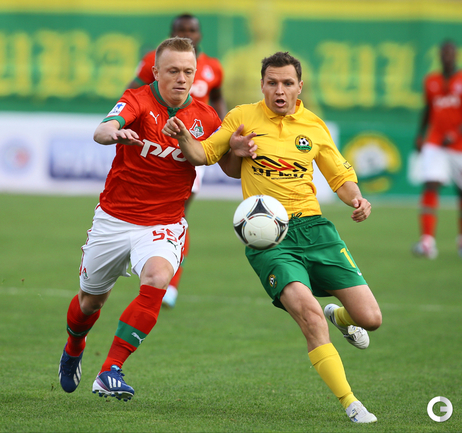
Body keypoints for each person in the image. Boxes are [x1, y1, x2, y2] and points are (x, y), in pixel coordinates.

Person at [162, 51, 382, 424]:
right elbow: (203, 154)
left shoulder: (314, 126)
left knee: (371, 318)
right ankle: (351, 403)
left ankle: (342, 317)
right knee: (309, 315)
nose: (279, 91)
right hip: (268, 238)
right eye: (272, 83)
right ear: (262, 85)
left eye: (287, 83)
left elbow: (340, 177)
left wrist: (357, 199)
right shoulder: (242, 117)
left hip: (315, 230)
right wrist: (185, 136)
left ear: (300, 87)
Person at [58, 37, 222, 401]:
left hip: (164, 223)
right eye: (173, 70)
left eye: (188, 71)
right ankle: (74, 347)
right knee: (90, 303)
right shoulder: (137, 100)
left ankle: (110, 370)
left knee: (158, 278)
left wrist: (240, 148)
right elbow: (103, 129)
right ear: (156, 72)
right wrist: (114, 133)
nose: (182, 78)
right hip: (114, 219)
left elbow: (225, 160)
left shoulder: (206, 117)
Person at [128, 13, 227, 307]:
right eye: (181, 30)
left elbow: (218, 98)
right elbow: (132, 91)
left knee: (177, 213)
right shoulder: (153, 61)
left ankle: (169, 283)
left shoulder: (212, 67)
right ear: (172, 34)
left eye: (192, 30)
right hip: (156, 146)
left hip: (192, 148)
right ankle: (150, 267)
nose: (187, 34)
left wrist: (222, 130)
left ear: (200, 35)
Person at [413, 40, 462, 259]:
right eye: (444, 53)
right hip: (435, 142)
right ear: (440, 56)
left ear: (456, 55)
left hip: (458, 144)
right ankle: (427, 242)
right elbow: (428, 109)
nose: (447, 56)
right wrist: (420, 134)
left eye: (450, 53)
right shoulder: (431, 80)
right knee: (431, 184)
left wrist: (455, 133)